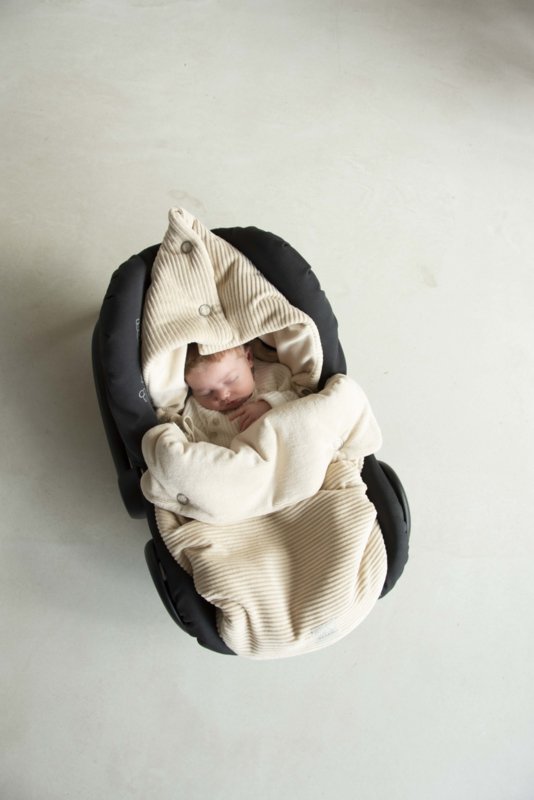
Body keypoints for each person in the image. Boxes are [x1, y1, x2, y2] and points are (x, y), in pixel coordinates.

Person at [181, 342, 298, 447]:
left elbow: (298, 401)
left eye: (230, 380)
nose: (223, 396)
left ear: (248, 358)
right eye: (206, 392)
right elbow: (190, 444)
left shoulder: (273, 375)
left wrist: (268, 405)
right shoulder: (196, 409)